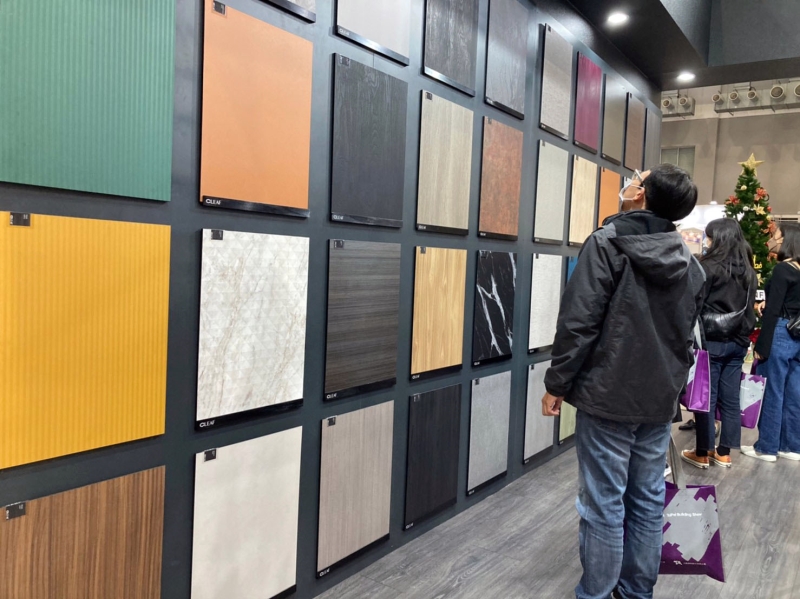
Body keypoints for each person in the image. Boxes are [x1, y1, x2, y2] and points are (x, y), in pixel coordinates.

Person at [541, 164, 705, 599]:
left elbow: (578, 322)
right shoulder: (690, 263)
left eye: (638, 178)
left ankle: (596, 593)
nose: (631, 181)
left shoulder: (606, 243)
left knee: (602, 502)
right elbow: (685, 338)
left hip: (607, 395)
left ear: (642, 195)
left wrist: (557, 383)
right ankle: (635, 592)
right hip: (658, 399)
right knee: (647, 499)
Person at [681, 219, 757, 468]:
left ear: (718, 238)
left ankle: (703, 452)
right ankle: (724, 453)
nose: (707, 240)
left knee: (706, 396)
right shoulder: (748, 271)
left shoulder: (707, 267)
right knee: (731, 398)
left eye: (709, 236)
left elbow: (693, 304)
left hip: (711, 341)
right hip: (738, 342)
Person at [743, 222, 800, 462]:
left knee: (772, 391)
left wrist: (762, 345)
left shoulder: (782, 270)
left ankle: (767, 447)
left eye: (775, 235)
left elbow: (774, 309)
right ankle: (791, 446)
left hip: (780, 332)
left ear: (786, 240)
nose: (772, 239)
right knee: (794, 393)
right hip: (798, 333)